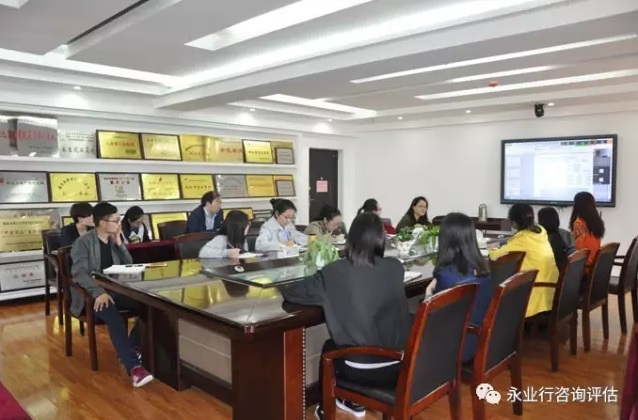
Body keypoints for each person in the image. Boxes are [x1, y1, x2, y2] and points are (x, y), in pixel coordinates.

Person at [279, 213, 411, 420]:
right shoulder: (395, 267)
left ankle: (326, 408)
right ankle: (351, 401)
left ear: (351, 238)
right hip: (401, 364)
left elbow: (293, 292)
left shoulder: (335, 272)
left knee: (330, 347)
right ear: (382, 239)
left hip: (361, 369)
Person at [70, 202, 153, 387]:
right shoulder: (83, 243)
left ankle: (130, 348)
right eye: (116, 220)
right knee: (114, 317)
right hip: (92, 294)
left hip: (115, 290)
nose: (119, 224)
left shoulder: (113, 239)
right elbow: (79, 273)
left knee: (150, 306)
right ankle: (135, 368)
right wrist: (98, 292)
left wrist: (120, 244)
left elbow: (128, 265)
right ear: (102, 223)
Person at [428, 212, 493, 362]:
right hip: (480, 341)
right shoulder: (482, 268)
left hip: (456, 347)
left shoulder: (446, 276)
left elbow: (434, 317)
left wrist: (428, 293)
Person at [489, 203, 559, 317]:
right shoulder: (540, 231)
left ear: (514, 223)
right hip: (550, 290)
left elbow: (494, 257)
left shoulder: (522, 239)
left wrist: (491, 249)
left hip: (535, 294)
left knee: (495, 286)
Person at [569, 191, 605, 273]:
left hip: (585, 269)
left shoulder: (578, 223)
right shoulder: (597, 222)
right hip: (595, 266)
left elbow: (579, 251)